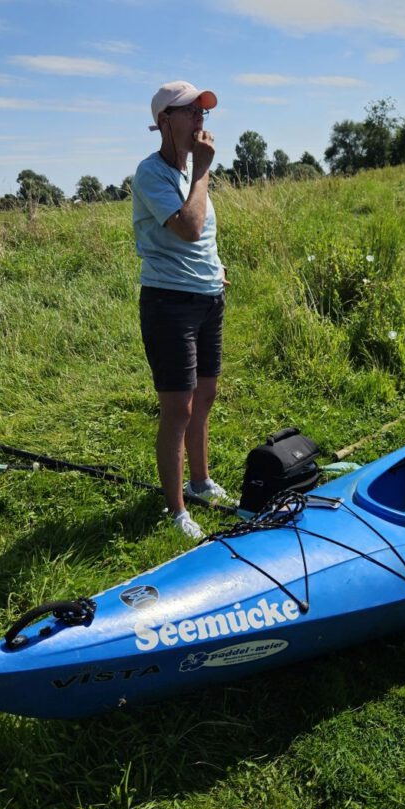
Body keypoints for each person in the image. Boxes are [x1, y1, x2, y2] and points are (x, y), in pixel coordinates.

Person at [132, 80, 235, 540]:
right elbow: (189, 228)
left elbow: (204, 238)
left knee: (205, 396)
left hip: (208, 297)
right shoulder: (151, 174)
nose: (199, 119)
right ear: (163, 121)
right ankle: (176, 512)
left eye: (202, 112)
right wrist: (203, 171)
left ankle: (200, 482)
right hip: (169, 302)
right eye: (189, 111)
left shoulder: (192, 172)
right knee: (179, 408)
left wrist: (216, 268)